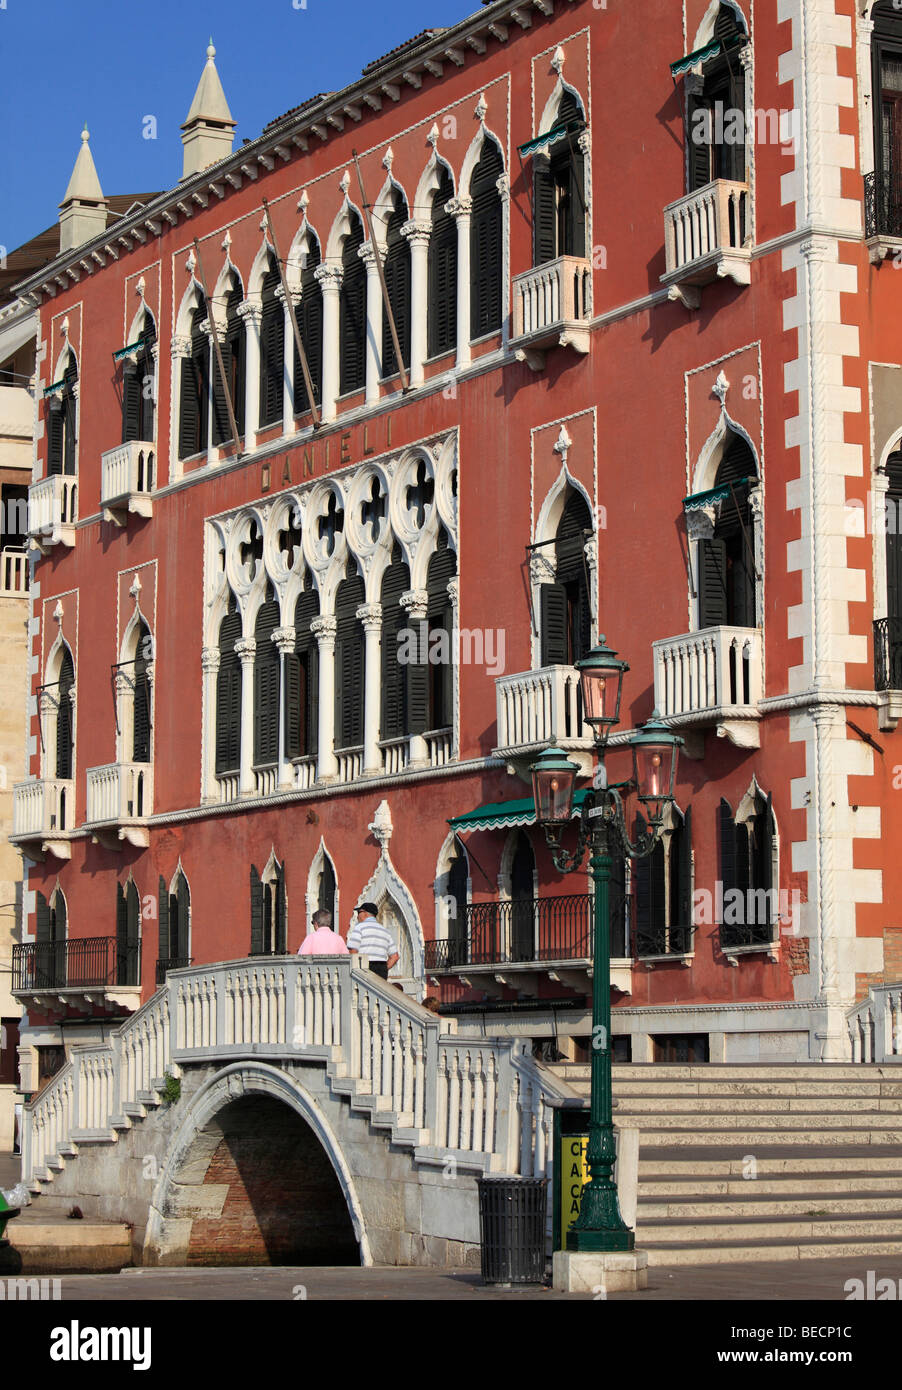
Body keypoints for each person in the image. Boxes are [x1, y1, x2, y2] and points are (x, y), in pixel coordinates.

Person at [347, 902, 399, 979]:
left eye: (358, 912)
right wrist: (383, 969)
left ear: (364, 913)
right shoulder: (385, 931)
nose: (357, 916)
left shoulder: (359, 927)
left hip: (365, 968)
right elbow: (395, 957)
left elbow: (353, 951)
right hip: (382, 969)